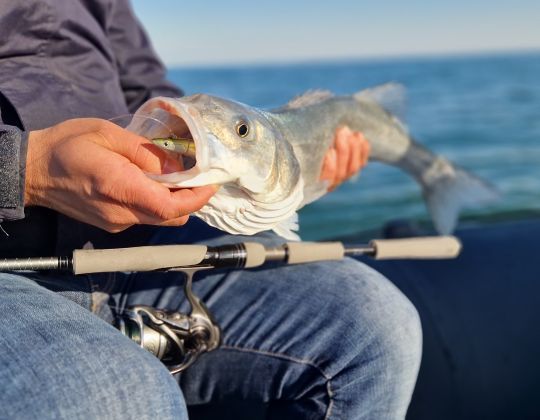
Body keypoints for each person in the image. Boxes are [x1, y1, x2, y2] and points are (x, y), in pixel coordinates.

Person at [0, 1, 422, 419]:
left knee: (377, 328)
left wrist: (297, 169)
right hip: (12, 267)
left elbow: (145, 89)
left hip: (143, 240)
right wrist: (27, 168)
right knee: (120, 397)